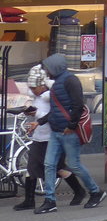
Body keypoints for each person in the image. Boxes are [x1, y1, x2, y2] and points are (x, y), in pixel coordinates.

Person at [34, 52, 105, 213]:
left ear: (55, 67)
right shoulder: (58, 82)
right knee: (49, 164)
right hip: (57, 131)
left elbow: (78, 105)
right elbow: (56, 110)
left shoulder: (70, 81)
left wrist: (71, 126)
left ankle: (96, 192)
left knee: (74, 165)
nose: (46, 71)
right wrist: (39, 122)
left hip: (67, 132)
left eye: (48, 68)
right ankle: (50, 200)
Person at [13, 64, 86, 211]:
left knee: (57, 167)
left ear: (42, 85)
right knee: (32, 166)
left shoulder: (53, 95)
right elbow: (41, 111)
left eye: (34, 88)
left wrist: (38, 120)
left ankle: (79, 190)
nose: (32, 91)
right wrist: (33, 113)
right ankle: (29, 200)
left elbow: (54, 113)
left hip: (52, 136)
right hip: (39, 136)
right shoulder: (38, 96)